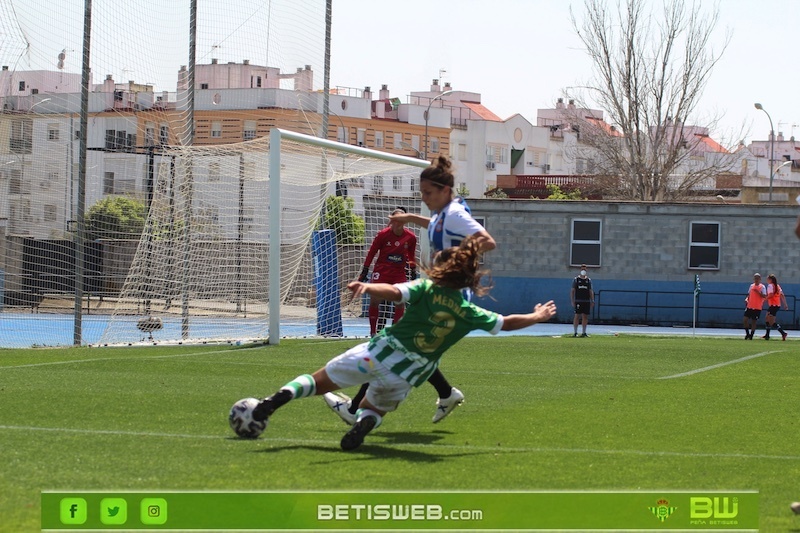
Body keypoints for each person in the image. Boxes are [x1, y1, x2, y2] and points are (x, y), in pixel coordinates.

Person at [250, 236, 556, 451]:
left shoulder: (425, 287)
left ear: (440, 270)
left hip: (380, 351)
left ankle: (276, 400)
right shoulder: (468, 311)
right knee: (375, 410)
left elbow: (395, 293)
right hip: (408, 374)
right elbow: (505, 323)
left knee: (318, 381)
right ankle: (365, 422)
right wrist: (536, 315)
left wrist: (368, 286)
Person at [326, 156, 497, 424]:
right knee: (413, 348)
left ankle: (355, 409)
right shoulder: (447, 212)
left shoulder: (454, 213)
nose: (425, 198)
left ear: (444, 191)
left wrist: (454, 261)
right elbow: (437, 226)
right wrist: (409, 217)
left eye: (428, 193)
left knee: (392, 344)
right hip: (442, 291)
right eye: (422, 193)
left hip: (445, 293)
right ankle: (446, 393)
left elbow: (487, 241)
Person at [357, 206, 418, 336]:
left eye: (401, 220)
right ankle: (373, 333)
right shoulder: (383, 234)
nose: (398, 222)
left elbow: (411, 255)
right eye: (396, 219)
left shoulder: (411, 238)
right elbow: (372, 252)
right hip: (382, 271)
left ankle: (394, 334)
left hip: (398, 273)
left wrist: (413, 270)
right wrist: (365, 269)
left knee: (400, 302)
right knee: (375, 300)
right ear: (392, 221)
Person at [570, 264, 594, 337]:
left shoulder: (588, 280)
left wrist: (592, 300)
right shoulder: (576, 280)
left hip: (586, 301)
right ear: (580, 270)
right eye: (582, 269)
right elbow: (572, 291)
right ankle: (575, 332)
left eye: (585, 269)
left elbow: (590, 291)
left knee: (585, 317)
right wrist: (572, 300)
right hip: (578, 301)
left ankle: (584, 332)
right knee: (577, 316)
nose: (583, 270)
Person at [762, 274, 788, 340]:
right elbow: (782, 295)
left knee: (771, 322)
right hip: (776, 305)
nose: (767, 280)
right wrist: (785, 304)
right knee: (767, 318)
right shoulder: (777, 286)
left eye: (768, 279)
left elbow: (770, 295)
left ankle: (783, 333)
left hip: (773, 305)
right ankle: (767, 335)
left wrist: (764, 299)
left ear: (770, 280)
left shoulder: (770, 286)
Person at [743, 273, 767, 340]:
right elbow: (749, 295)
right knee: (745, 320)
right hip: (749, 306)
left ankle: (751, 335)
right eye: (755, 278)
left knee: (754, 321)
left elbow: (764, 296)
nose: (756, 280)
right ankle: (747, 333)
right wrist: (746, 299)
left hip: (757, 307)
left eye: (757, 278)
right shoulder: (751, 286)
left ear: (760, 279)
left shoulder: (762, 287)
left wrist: (758, 292)